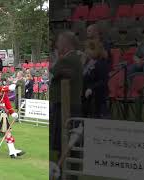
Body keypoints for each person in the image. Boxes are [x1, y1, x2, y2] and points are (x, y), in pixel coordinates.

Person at [50, 32, 83, 178]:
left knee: (66, 139)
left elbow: (55, 70)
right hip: (68, 103)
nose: (57, 45)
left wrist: (57, 59)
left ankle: (64, 170)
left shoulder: (69, 59)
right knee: (69, 139)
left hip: (66, 105)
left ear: (66, 43)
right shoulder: (74, 57)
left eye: (59, 42)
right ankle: (66, 170)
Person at [82, 40, 110, 118]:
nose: (85, 52)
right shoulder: (87, 63)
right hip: (85, 95)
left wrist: (91, 88)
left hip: (97, 95)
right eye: (85, 49)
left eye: (88, 49)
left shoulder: (101, 63)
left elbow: (103, 81)